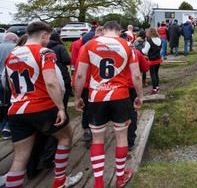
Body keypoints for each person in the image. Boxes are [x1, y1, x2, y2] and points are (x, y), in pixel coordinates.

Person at [4, 21, 82, 188]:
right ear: (44, 35)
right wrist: (61, 108)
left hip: (16, 108)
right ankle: (60, 180)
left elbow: (7, 82)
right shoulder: (45, 52)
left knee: (19, 157)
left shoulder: (12, 54)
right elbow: (52, 82)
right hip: (41, 105)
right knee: (65, 137)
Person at [74, 21, 143, 188]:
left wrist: (77, 97)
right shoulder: (128, 45)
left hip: (97, 97)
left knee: (97, 139)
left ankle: (98, 183)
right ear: (119, 31)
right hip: (120, 96)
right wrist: (140, 95)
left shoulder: (89, 45)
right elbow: (136, 76)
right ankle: (120, 177)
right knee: (121, 136)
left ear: (103, 31)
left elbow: (80, 75)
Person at [126, 48, 149, 151]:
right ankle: (130, 141)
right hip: (131, 85)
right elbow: (145, 68)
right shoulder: (135, 52)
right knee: (132, 112)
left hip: (114, 87)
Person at [0, 32, 18, 140]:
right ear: (15, 40)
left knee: (1, 104)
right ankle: (9, 126)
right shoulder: (16, 48)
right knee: (12, 103)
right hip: (9, 79)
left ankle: (3, 129)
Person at [142, 27, 162, 94]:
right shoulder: (159, 40)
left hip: (152, 60)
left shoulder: (149, 41)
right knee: (156, 73)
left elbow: (145, 52)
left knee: (152, 74)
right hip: (158, 59)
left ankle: (154, 89)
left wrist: (141, 49)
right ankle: (157, 87)